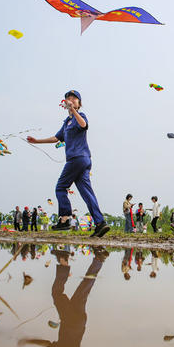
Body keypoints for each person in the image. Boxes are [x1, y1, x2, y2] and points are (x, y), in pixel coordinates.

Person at [27, 90, 110, 238]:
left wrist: (73, 110)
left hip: (78, 158)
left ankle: (65, 219)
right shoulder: (66, 123)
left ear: (79, 103)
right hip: (81, 161)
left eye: (74, 98)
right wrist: (37, 141)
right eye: (68, 98)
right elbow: (56, 138)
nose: (70, 100)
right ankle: (100, 223)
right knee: (86, 193)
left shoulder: (80, 116)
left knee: (61, 187)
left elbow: (84, 125)